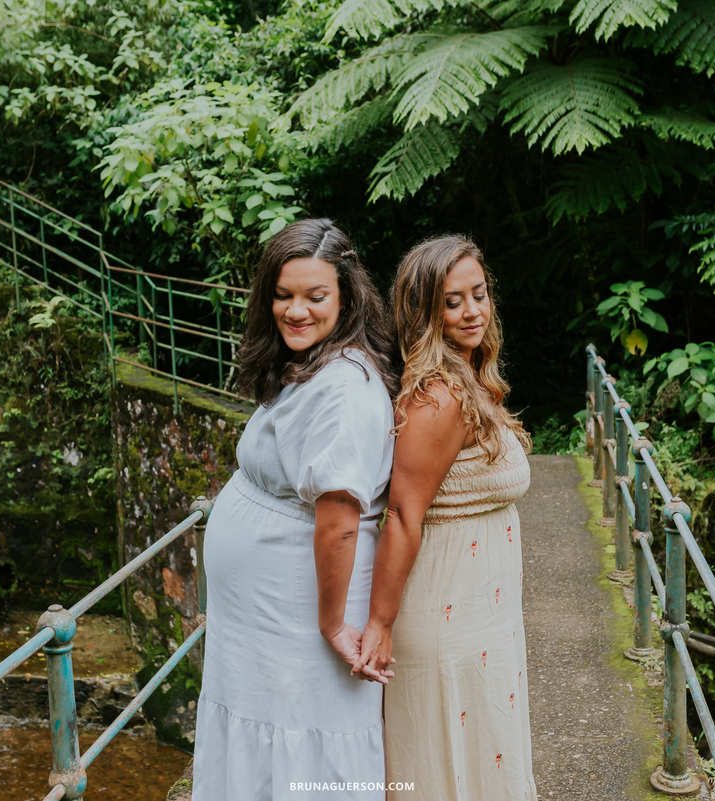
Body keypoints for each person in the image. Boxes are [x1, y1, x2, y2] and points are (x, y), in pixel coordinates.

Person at [193, 218, 399, 800]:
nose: (296, 311)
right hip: (265, 617)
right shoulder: (315, 367)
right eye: (283, 296)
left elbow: (338, 522)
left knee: (305, 744)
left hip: (299, 612)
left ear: (348, 297)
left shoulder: (345, 388)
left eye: (315, 296)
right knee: (273, 739)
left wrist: (332, 623)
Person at [353, 234, 536, 800]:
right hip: (448, 620)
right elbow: (403, 515)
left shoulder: (470, 379)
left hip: (482, 616)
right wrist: (379, 625)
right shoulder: (439, 397)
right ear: (424, 311)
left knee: (477, 762)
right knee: (449, 772)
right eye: (452, 302)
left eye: (478, 294)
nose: (472, 311)